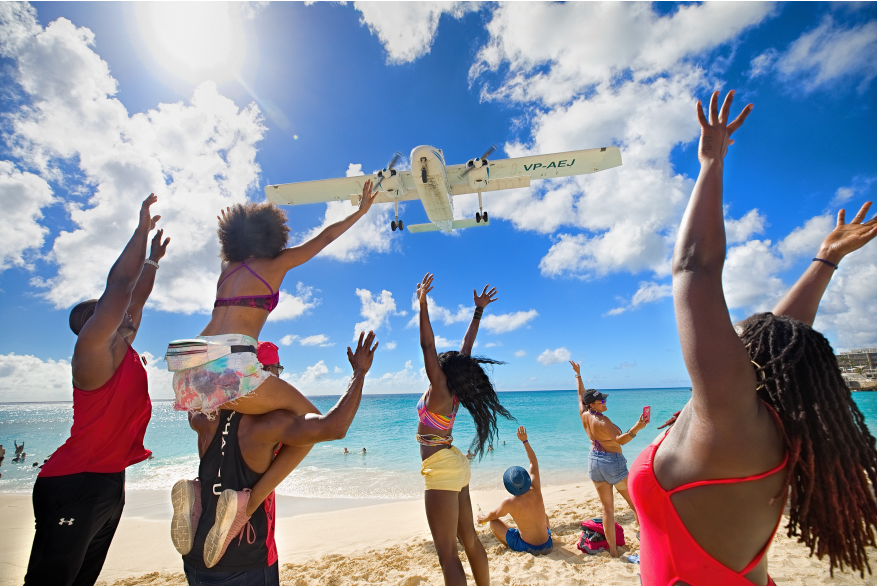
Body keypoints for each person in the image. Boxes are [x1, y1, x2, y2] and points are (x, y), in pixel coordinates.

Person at [628, 90, 877, 585]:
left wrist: (710, 164)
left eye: (742, 340)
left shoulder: (729, 420)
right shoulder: (773, 431)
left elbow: (694, 268)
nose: (733, 339)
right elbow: (786, 339)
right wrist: (825, 260)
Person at [169, 181, 377, 563]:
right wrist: (360, 212)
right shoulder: (275, 265)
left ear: (232, 238)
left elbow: (228, 247)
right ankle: (247, 505)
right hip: (228, 358)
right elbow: (325, 239)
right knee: (309, 418)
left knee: (215, 420)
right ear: (271, 236)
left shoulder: (227, 268)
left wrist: (229, 225)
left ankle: (200, 494)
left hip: (189, 358)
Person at [25, 194, 170, 585]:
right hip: (74, 480)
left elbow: (135, 296)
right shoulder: (91, 352)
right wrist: (141, 232)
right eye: (106, 308)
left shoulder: (123, 344)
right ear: (91, 321)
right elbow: (122, 286)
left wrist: (154, 260)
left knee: (82, 578)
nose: (122, 312)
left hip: (108, 479)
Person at [176, 332, 378, 583]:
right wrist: (359, 373)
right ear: (263, 374)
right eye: (277, 370)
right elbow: (334, 427)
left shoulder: (204, 416)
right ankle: (244, 505)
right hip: (246, 558)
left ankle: (197, 497)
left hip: (195, 554)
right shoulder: (269, 424)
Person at [416, 274, 513, 586]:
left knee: (447, 554)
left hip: (441, 468)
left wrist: (423, 305)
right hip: (455, 463)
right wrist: (478, 312)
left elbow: (427, 344)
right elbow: (465, 349)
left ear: (441, 370)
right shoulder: (453, 389)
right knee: (469, 539)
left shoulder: (440, 388)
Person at [569, 362, 646, 557]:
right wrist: (637, 427)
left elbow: (580, 395)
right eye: (601, 401)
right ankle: (644, 540)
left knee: (607, 510)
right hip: (613, 464)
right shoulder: (603, 421)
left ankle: (612, 551)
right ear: (592, 404)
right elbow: (621, 440)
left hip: (594, 462)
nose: (604, 402)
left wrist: (578, 375)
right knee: (636, 504)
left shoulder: (584, 414)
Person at [478, 426, 551, 554]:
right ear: (526, 480)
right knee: (544, 516)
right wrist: (525, 441)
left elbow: (494, 515)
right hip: (547, 544)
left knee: (494, 523)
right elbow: (534, 463)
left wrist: (482, 519)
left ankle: (510, 546)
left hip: (527, 547)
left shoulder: (509, 502)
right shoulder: (536, 490)